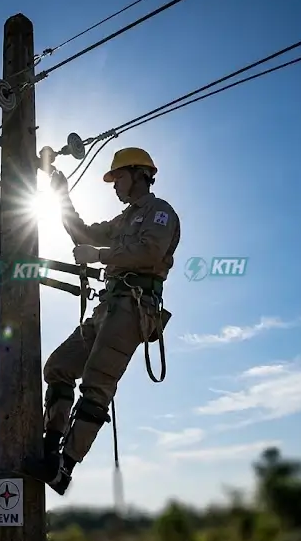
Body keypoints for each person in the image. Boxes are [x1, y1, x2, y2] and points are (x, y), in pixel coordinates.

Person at [21, 147, 182, 495]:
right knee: (59, 367)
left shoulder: (160, 213)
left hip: (134, 307)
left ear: (140, 175)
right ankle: (50, 449)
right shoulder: (123, 221)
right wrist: (60, 194)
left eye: (118, 177)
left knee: (96, 382)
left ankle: (63, 467)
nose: (114, 185)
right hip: (107, 307)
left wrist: (100, 256)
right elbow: (82, 233)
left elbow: (149, 252)